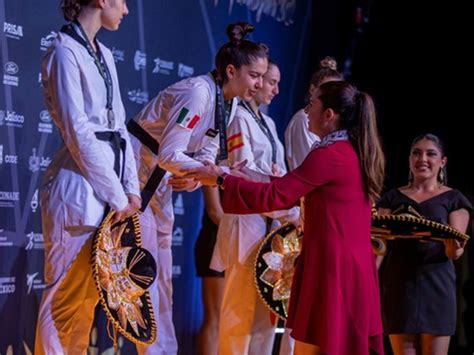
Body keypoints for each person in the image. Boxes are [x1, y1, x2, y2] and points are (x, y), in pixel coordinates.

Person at [184, 80, 386, 355]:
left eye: (312, 104)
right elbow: (284, 185)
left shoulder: (330, 154)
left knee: (313, 345)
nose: (305, 111)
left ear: (329, 115)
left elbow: (278, 194)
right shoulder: (351, 150)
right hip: (344, 263)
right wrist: (231, 177)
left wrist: (221, 180)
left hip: (334, 267)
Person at [127, 22, 269, 354]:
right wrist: (211, 172)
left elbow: (204, 151)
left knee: (162, 276)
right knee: (144, 273)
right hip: (135, 176)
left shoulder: (228, 101)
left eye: (262, 77)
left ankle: (165, 350)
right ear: (231, 70)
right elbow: (170, 153)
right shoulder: (199, 93)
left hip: (160, 182)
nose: (260, 84)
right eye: (255, 76)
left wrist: (197, 175)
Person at [35, 0, 140, 354]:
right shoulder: (63, 52)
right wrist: (118, 195)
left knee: (87, 303)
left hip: (108, 195)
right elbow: (78, 132)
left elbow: (120, 128)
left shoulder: (105, 55)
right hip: (77, 189)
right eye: (122, 1)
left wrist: (131, 190)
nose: (125, 10)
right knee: (62, 298)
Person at [211, 60, 299, 354]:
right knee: (239, 311)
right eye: (268, 81)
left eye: (273, 82)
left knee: (265, 312)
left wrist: (282, 196)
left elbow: (280, 176)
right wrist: (281, 195)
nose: (273, 89)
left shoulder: (270, 124)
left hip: (270, 225)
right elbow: (242, 173)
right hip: (246, 224)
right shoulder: (238, 118)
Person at [377, 133, 472, 355]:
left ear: (443, 162)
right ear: (409, 159)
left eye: (431, 153)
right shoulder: (392, 198)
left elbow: (455, 252)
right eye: (416, 153)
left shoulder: (454, 199)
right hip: (399, 286)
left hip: (437, 286)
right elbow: (378, 245)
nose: (423, 159)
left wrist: (452, 245)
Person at [285, 56, 343, 170]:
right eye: (326, 90)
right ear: (313, 89)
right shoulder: (303, 119)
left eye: (336, 92)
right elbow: (309, 167)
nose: (330, 96)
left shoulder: (334, 123)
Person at [194, 186, 225, 355]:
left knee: (235, 320)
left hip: (243, 245)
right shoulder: (212, 162)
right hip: (217, 242)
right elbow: (214, 211)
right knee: (216, 318)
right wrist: (239, 235)